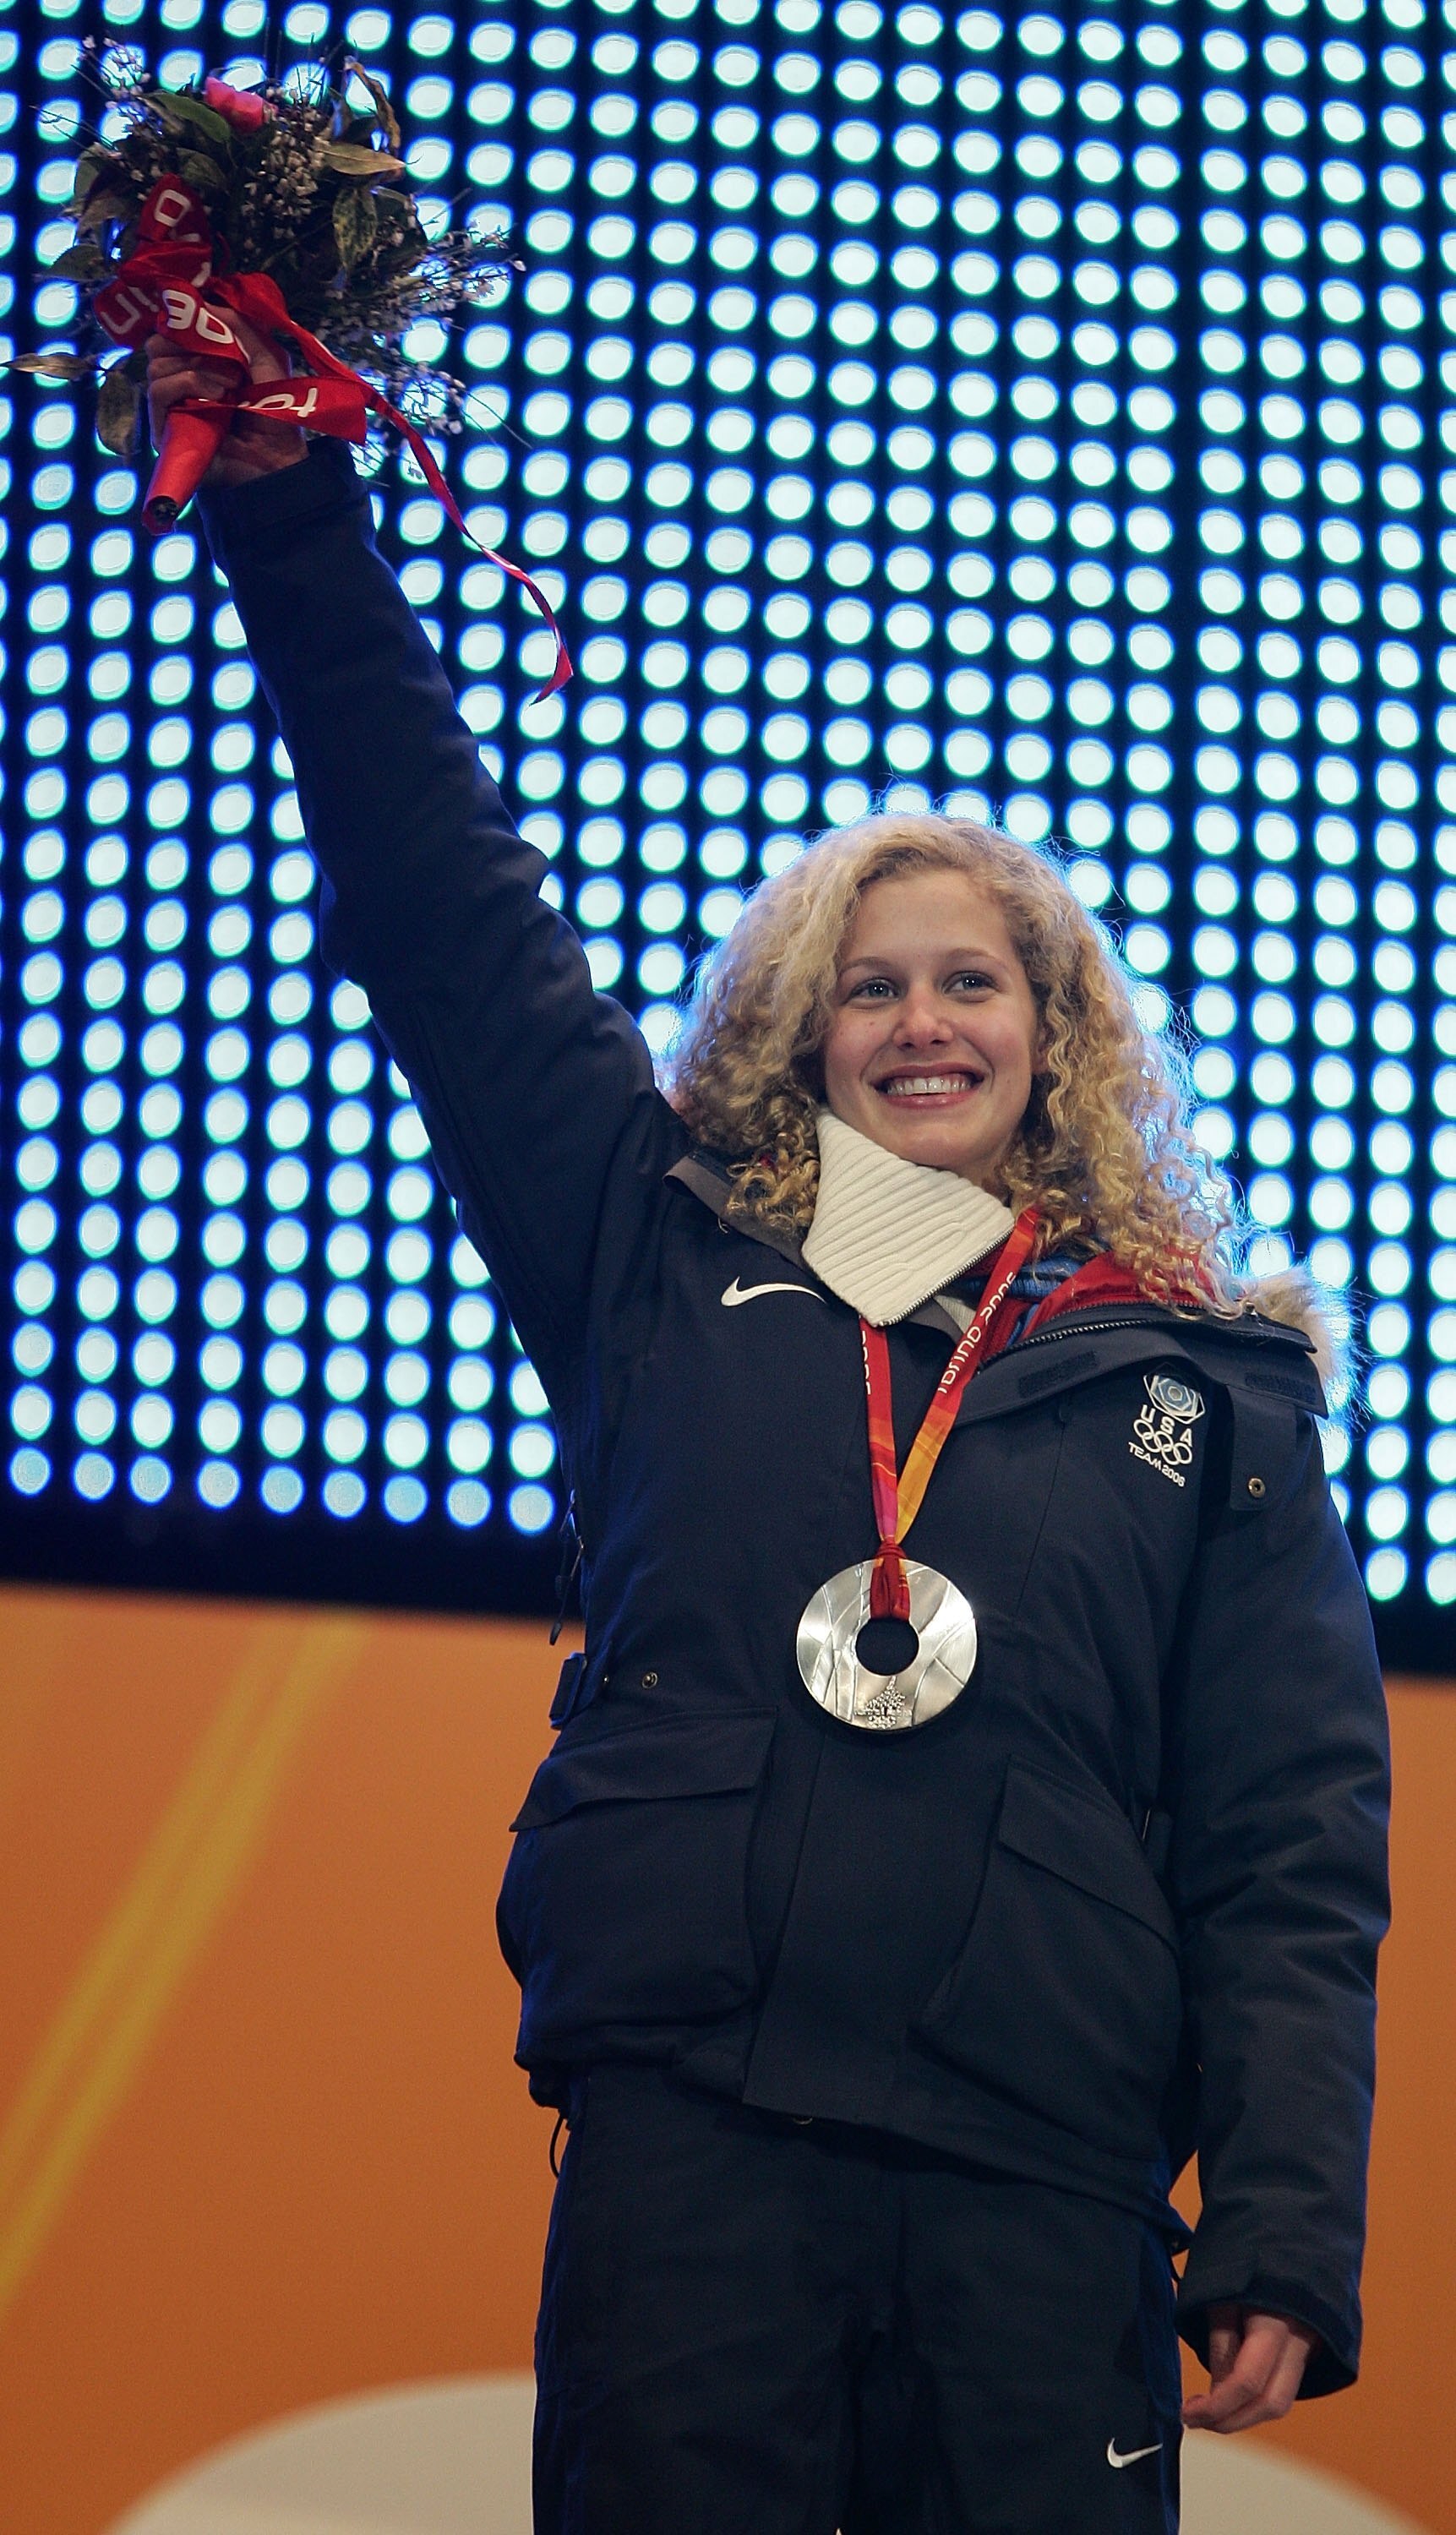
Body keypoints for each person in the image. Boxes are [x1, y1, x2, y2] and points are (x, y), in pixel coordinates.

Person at [149, 332, 1390, 2535]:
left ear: (1056, 1037)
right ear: (801, 1034)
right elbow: (447, 912)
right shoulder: (658, 1268)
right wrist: (282, 491)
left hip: (1045, 2176)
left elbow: (1288, 1852)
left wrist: (1283, 2218)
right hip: (694, 2144)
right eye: (871, 982)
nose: (921, 1020)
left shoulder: (1210, 1387)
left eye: (970, 980)